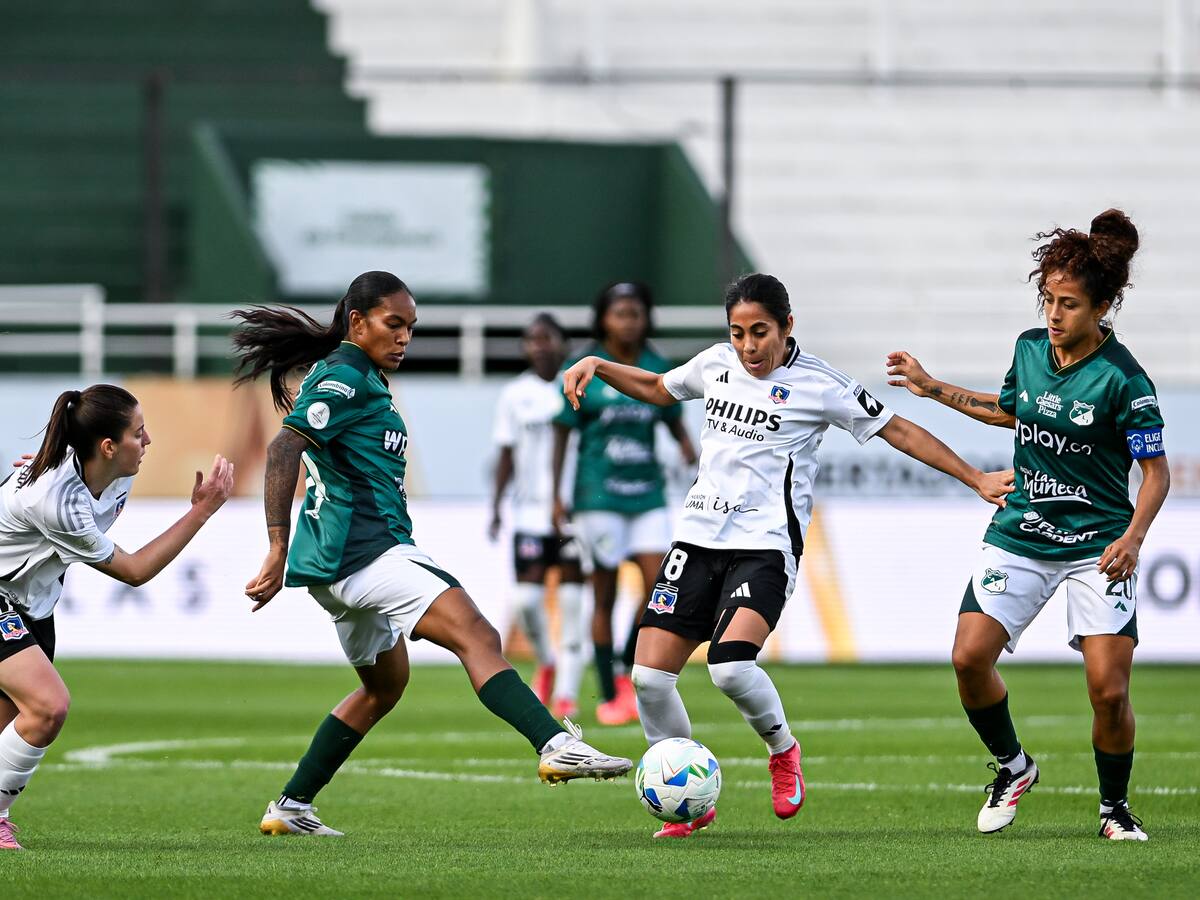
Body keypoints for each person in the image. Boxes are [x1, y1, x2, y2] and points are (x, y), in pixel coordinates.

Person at [562, 273, 1013, 839]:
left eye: (760, 332)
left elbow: (896, 429)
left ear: (787, 326)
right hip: (697, 540)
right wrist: (599, 365)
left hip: (764, 548)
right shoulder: (715, 364)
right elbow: (658, 387)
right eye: (738, 333)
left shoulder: (820, 384)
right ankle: (689, 798)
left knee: (729, 668)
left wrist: (974, 478)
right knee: (650, 679)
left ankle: (782, 750)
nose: (749, 347)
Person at [231, 271, 631, 839]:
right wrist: (275, 545)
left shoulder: (355, 374)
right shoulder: (347, 377)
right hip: (366, 554)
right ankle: (557, 744)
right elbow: (283, 446)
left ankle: (291, 805)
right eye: (394, 325)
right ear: (357, 323)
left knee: (383, 688)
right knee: (478, 635)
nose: (404, 338)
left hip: (334, 566)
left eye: (411, 328)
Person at [886, 209, 1168, 841]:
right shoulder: (1029, 349)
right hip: (1022, 531)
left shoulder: (1125, 381)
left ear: (1101, 308)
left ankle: (1114, 811)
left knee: (1108, 692)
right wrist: (932, 388)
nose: (1053, 313)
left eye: (1068, 303)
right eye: (1047, 299)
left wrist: (1133, 537)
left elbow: (1156, 475)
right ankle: (1014, 768)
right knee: (968, 659)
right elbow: (1008, 409)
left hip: (1099, 545)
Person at [0, 385, 234, 851]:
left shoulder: (111, 470)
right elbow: (134, 570)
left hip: (33, 603)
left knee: (10, 725)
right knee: (48, 706)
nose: (148, 441)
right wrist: (202, 511)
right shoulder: (57, 499)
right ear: (108, 446)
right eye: (138, 433)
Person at [551, 282, 698, 726]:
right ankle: (610, 688)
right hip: (598, 495)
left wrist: (689, 448)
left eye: (635, 313)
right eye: (620, 313)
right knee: (606, 594)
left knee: (660, 587)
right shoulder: (585, 366)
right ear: (603, 319)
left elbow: (672, 417)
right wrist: (558, 494)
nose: (628, 321)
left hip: (647, 493)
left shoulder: (656, 366)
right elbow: (563, 430)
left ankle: (623, 658)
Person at [490, 315, 588, 718]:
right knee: (527, 601)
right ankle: (546, 660)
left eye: (547, 338)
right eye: (532, 339)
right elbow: (506, 451)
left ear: (563, 345)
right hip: (530, 513)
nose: (539, 346)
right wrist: (496, 505)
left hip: (573, 515)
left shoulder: (580, 386)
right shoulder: (515, 395)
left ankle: (567, 692)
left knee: (572, 604)